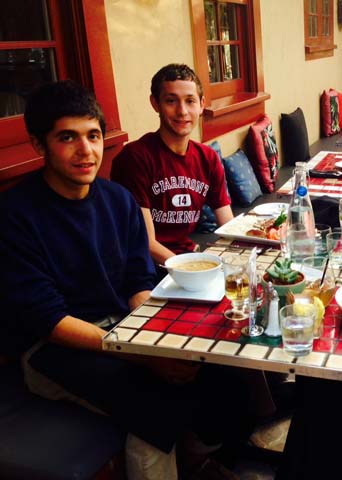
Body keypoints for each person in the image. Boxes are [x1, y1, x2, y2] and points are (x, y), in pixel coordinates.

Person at [0, 81, 251, 480]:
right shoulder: (16, 215)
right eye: (67, 137)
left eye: (93, 135)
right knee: (153, 402)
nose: (86, 151)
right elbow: (48, 320)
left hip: (122, 325)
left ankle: (197, 460)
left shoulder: (117, 200)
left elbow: (138, 281)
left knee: (220, 366)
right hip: (51, 347)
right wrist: (142, 355)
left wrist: (161, 339)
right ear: (38, 144)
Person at [112, 63, 233, 266]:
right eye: (171, 101)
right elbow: (146, 243)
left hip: (186, 257)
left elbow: (228, 224)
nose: (182, 111)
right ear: (155, 104)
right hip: (145, 268)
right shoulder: (135, 158)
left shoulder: (208, 158)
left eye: (190, 101)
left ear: (202, 105)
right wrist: (192, 269)